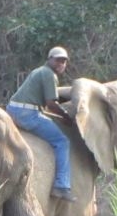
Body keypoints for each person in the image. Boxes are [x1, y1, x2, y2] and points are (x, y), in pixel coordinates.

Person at [7, 46, 75, 201]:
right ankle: (62, 186)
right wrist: (65, 117)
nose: (61, 64)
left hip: (13, 109)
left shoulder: (39, 71)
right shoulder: (49, 74)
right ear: (49, 59)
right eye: (58, 60)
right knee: (62, 141)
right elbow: (51, 104)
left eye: (64, 61)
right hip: (27, 114)